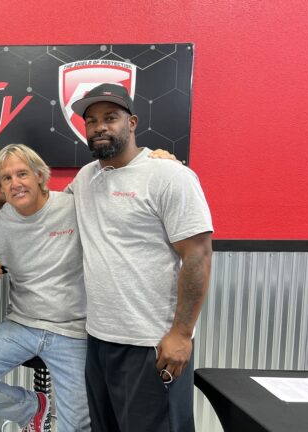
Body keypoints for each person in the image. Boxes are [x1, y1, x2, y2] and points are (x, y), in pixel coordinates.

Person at [68, 83, 213, 432]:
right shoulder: (86, 178)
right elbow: (49, 209)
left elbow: (198, 254)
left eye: (110, 118)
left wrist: (181, 333)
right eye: (91, 121)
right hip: (100, 340)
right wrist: (3, 202)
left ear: (131, 123)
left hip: (152, 344)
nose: (99, 126)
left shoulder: (168, 175)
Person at [0, 144, 90, 432]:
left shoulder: (73, 206)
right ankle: (31, 408)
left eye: (22, 174)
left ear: (40, 175)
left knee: (76, 426)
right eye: (7, 178)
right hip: (22, 325)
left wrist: (158, 158)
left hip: (73, 330)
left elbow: (113, 174)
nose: (16, 184)